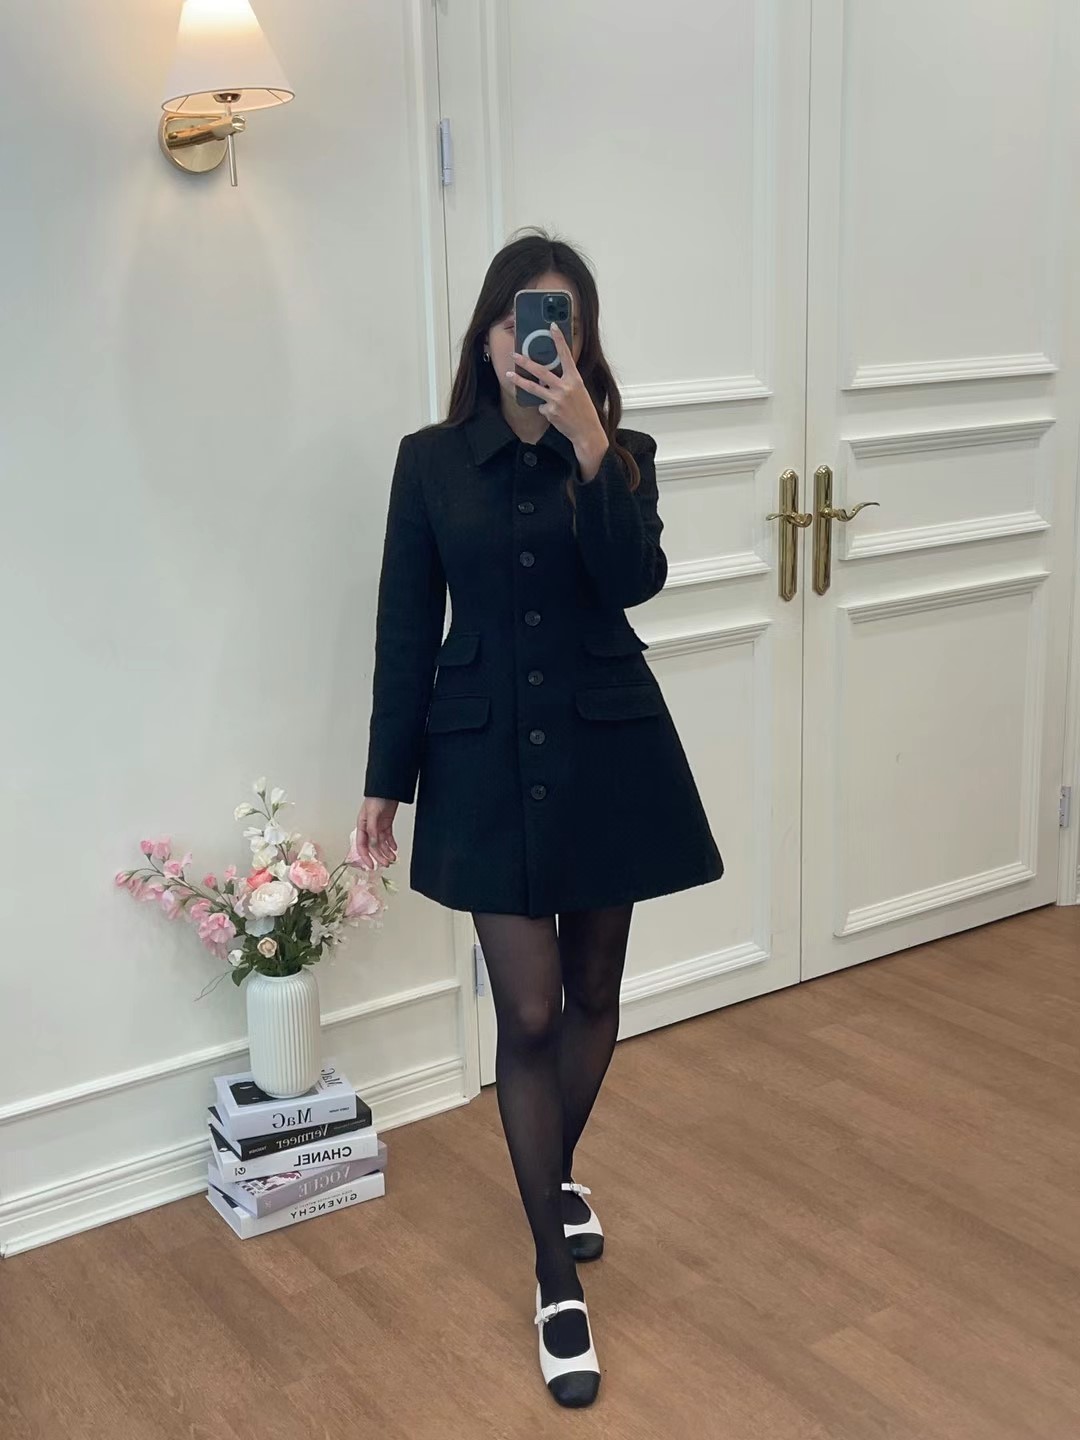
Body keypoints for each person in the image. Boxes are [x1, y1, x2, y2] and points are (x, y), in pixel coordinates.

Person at [354, 229, 723, 1407]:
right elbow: (406, 625)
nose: (540, 337)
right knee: (527, 1009)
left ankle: (552, 1179)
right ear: (489, 335)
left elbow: (633, 582)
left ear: (583, 337)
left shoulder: (619, 454)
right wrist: (385, 778)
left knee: (597, 993)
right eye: (523, 317)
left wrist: (590, 445)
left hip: (608, 749)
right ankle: (555, 1275)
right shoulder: (429, 462)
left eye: (562, 318)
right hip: (481, 761)